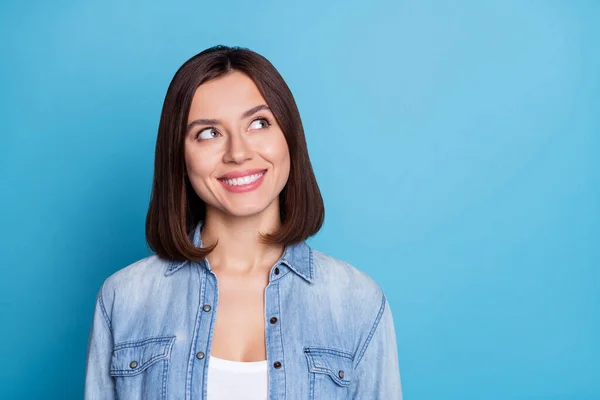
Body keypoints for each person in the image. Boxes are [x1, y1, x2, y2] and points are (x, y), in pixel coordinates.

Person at [84, 45, 402, 400]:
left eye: (259, 123)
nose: (238, 152)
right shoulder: (124, 298)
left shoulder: (356, 301)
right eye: (208, 133)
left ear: (289, 138)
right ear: (180, 156)